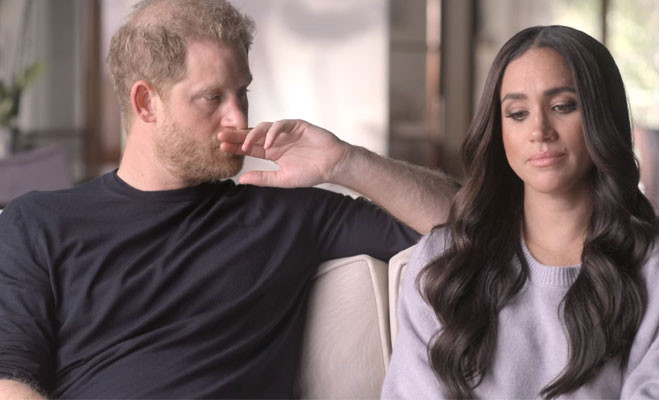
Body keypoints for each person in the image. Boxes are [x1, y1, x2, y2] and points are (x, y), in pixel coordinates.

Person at [0, 0, 457, 398]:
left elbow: (464, 222)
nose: (238, 117)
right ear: (146, 103)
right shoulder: (39, 223)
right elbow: (9, 376)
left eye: (242, 93)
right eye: (212, 97)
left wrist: (346, 162)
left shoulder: (283, 214)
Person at [382, 25, 659, 399]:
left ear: (602, 116)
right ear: (498, 131)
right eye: (518, 113)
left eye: (562, 106)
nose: (540, 131)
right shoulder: (444, 262)